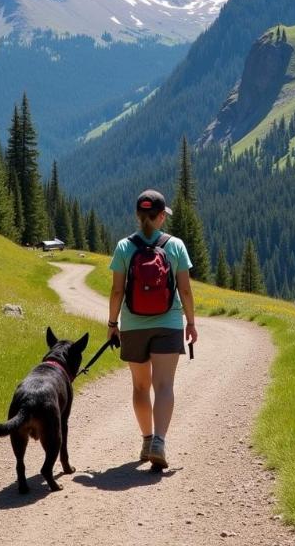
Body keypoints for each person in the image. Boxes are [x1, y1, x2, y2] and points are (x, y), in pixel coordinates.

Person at [107, 189, 198, 469]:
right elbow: (184, 288)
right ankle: (159, 441)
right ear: (160, 217)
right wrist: (191, 323)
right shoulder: (176, 245)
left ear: (138, 216)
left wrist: (113, 324)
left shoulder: (124, 246)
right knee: (164, 386)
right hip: (168, 324)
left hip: (133, 326)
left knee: (140, 386)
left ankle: (146, 440)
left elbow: (116, 291)